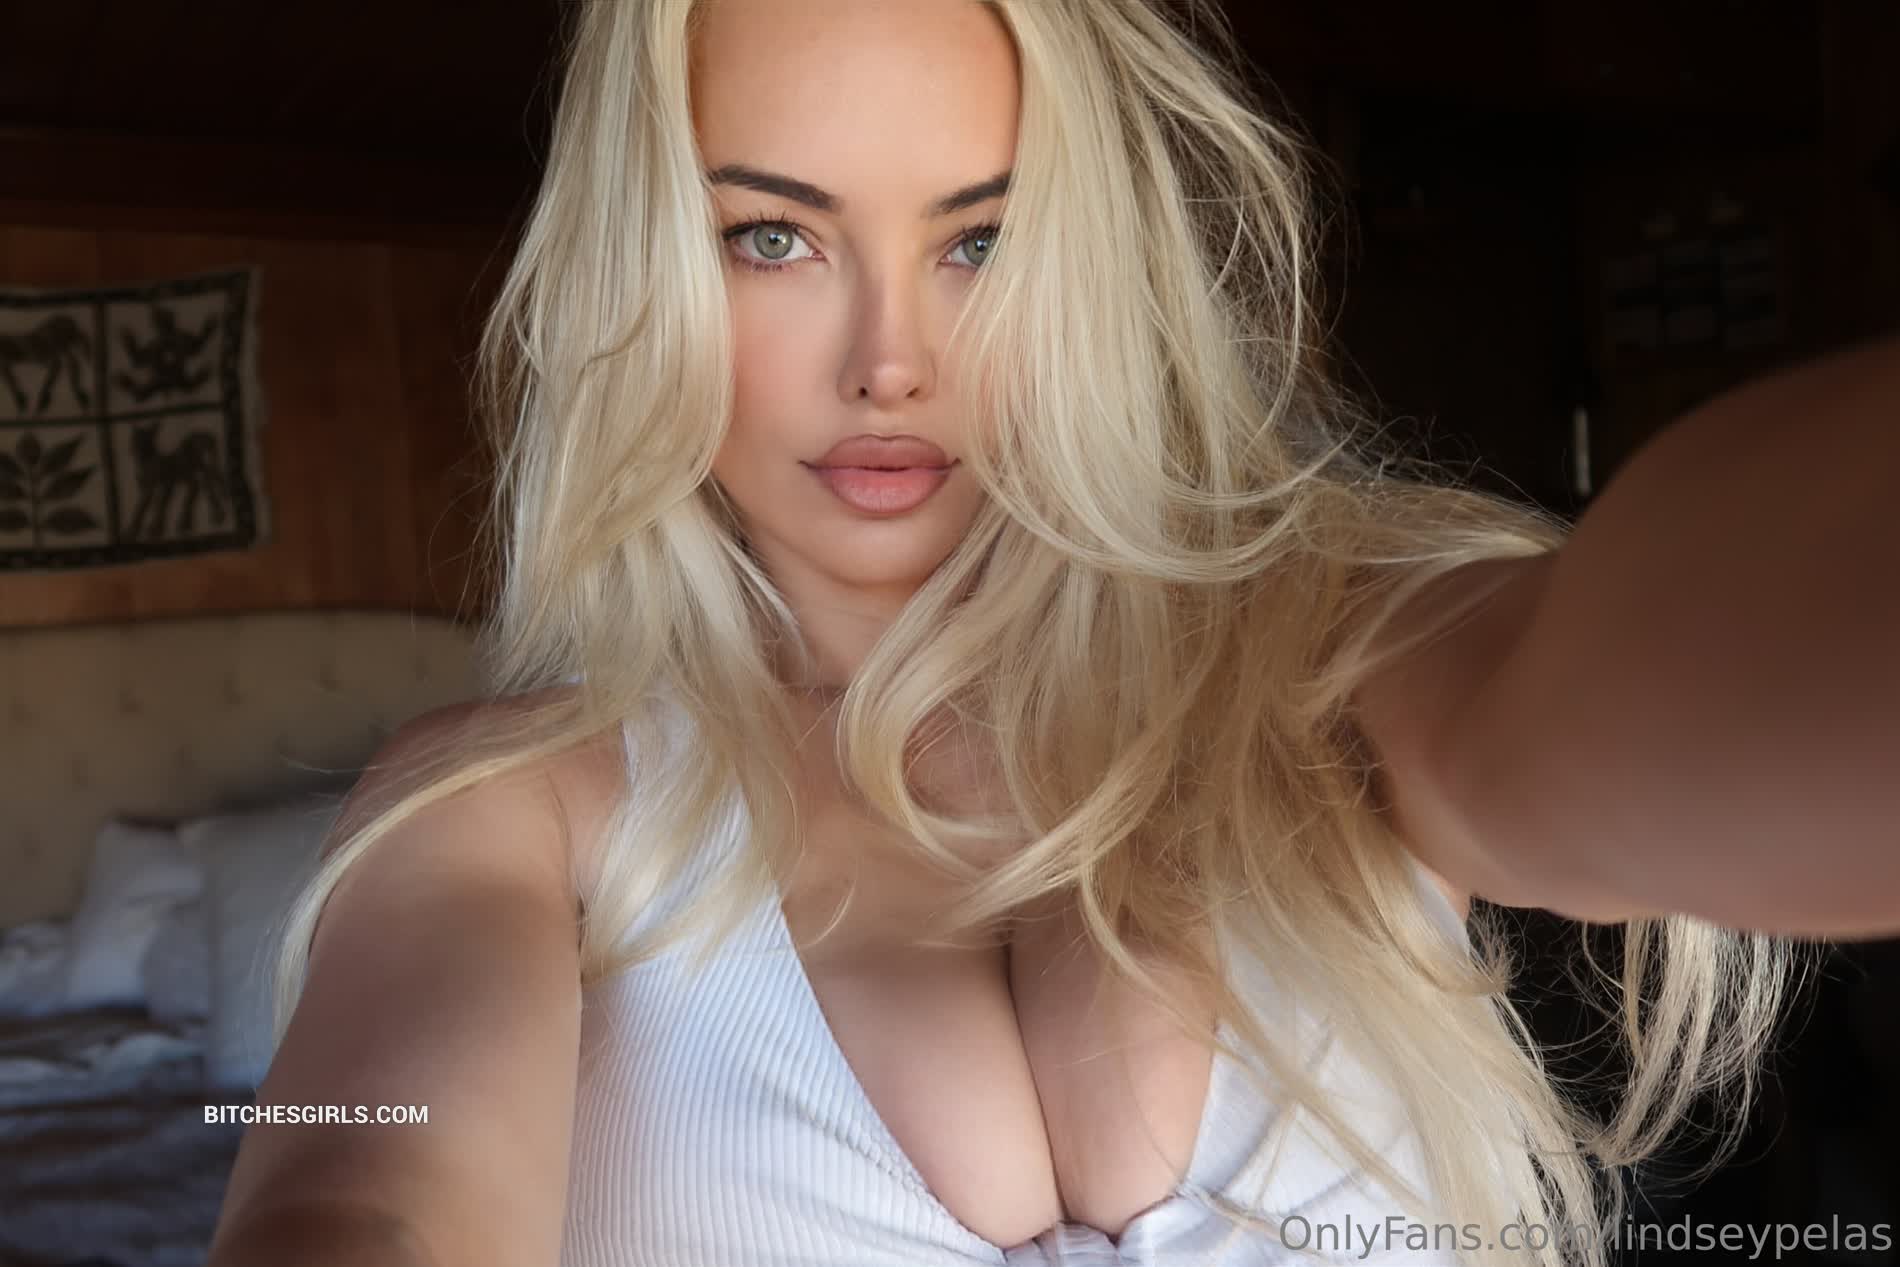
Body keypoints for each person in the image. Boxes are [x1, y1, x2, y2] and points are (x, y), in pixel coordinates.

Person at [204, 1, 1899, 1264]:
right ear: (639, 274)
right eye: (773, 237)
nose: (889, 361)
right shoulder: (511, 808)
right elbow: (362, 1187)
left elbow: (1603, 686)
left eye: (983, 240)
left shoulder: (1336, 656)